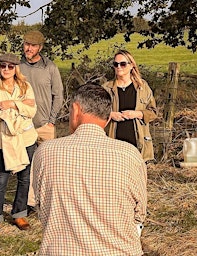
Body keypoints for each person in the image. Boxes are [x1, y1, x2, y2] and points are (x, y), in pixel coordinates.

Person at [31, 83, 147, 255]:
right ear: (108, 119)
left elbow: (38, 205)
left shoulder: (45, 151)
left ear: (76, 110)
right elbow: (139, 214)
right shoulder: (131, 154)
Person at [0, 53, 38, 240]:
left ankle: (19, 214)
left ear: (16, 68)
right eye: (2, 66)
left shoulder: (25, 86)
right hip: (4, 140)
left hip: (26, 138)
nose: (5, 69)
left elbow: (32, 110)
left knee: (24, 178)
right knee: (0, 181)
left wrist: (12, 103)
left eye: (10, 66)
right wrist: (21, 107)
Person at [19, 30, 64, 209]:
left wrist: (51, 120)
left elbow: (58, 95)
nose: (28, 48)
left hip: (45, 124)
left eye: (33, 45)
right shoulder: (17, 66)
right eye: (26, 44)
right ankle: (29, 203)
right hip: (24, 125)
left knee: (48, 166)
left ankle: (49, 201)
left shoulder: (50, 68)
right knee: (27, 165)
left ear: (40, 47)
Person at [102, 49, 157, 162]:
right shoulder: (106, 88)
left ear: (131, 65)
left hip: (138, 142)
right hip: (113, 142)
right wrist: (111, 114)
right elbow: (96, 112)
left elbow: (153, 112)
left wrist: (137, 114)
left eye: (122, 64)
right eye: (115, 64)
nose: (119, 67)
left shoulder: (142, 87)